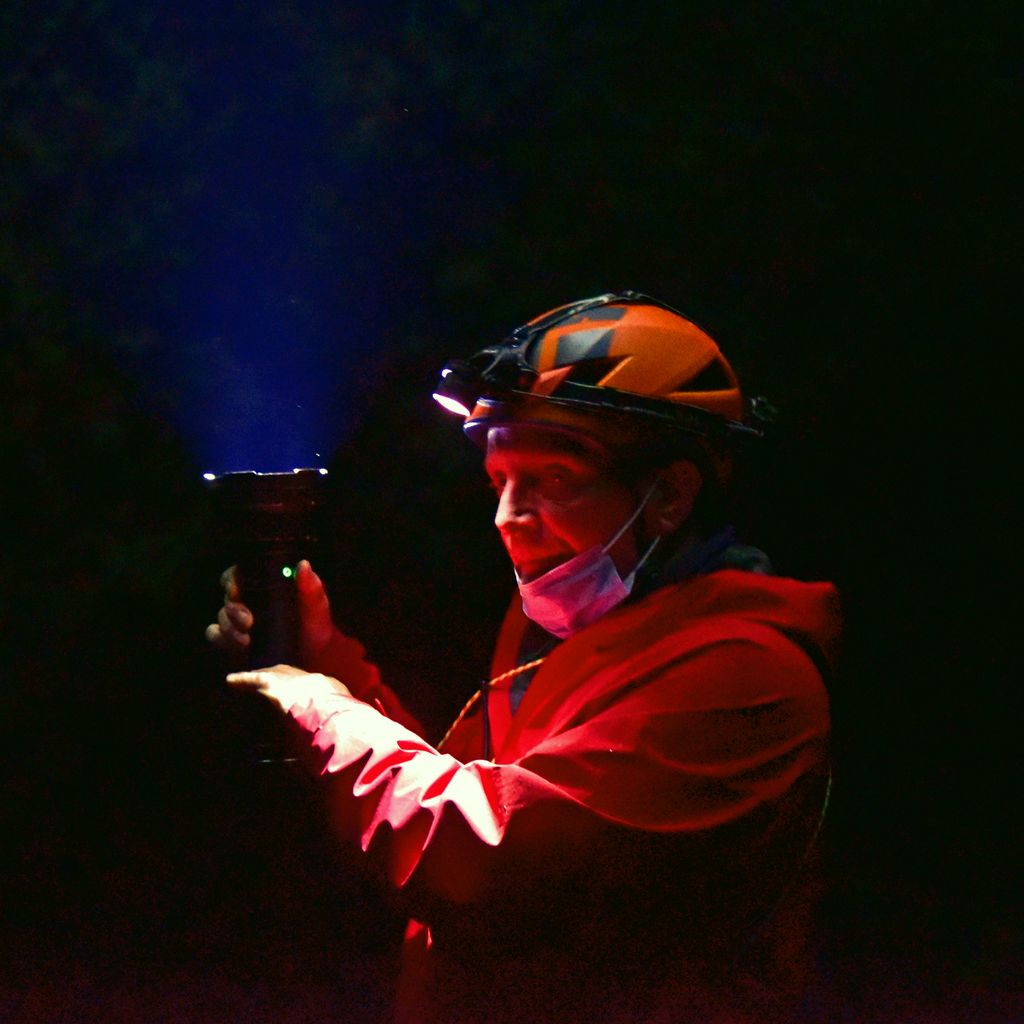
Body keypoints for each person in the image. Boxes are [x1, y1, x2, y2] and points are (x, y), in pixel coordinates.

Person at [209, 292, 839, 1024]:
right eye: (500, 481)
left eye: (553, 481)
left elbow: (484, 859)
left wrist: (319, 705)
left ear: (669, 496)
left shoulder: (745, 676)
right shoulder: (573, 628)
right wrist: (322, 654)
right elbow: (459, 785)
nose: (509, 518)